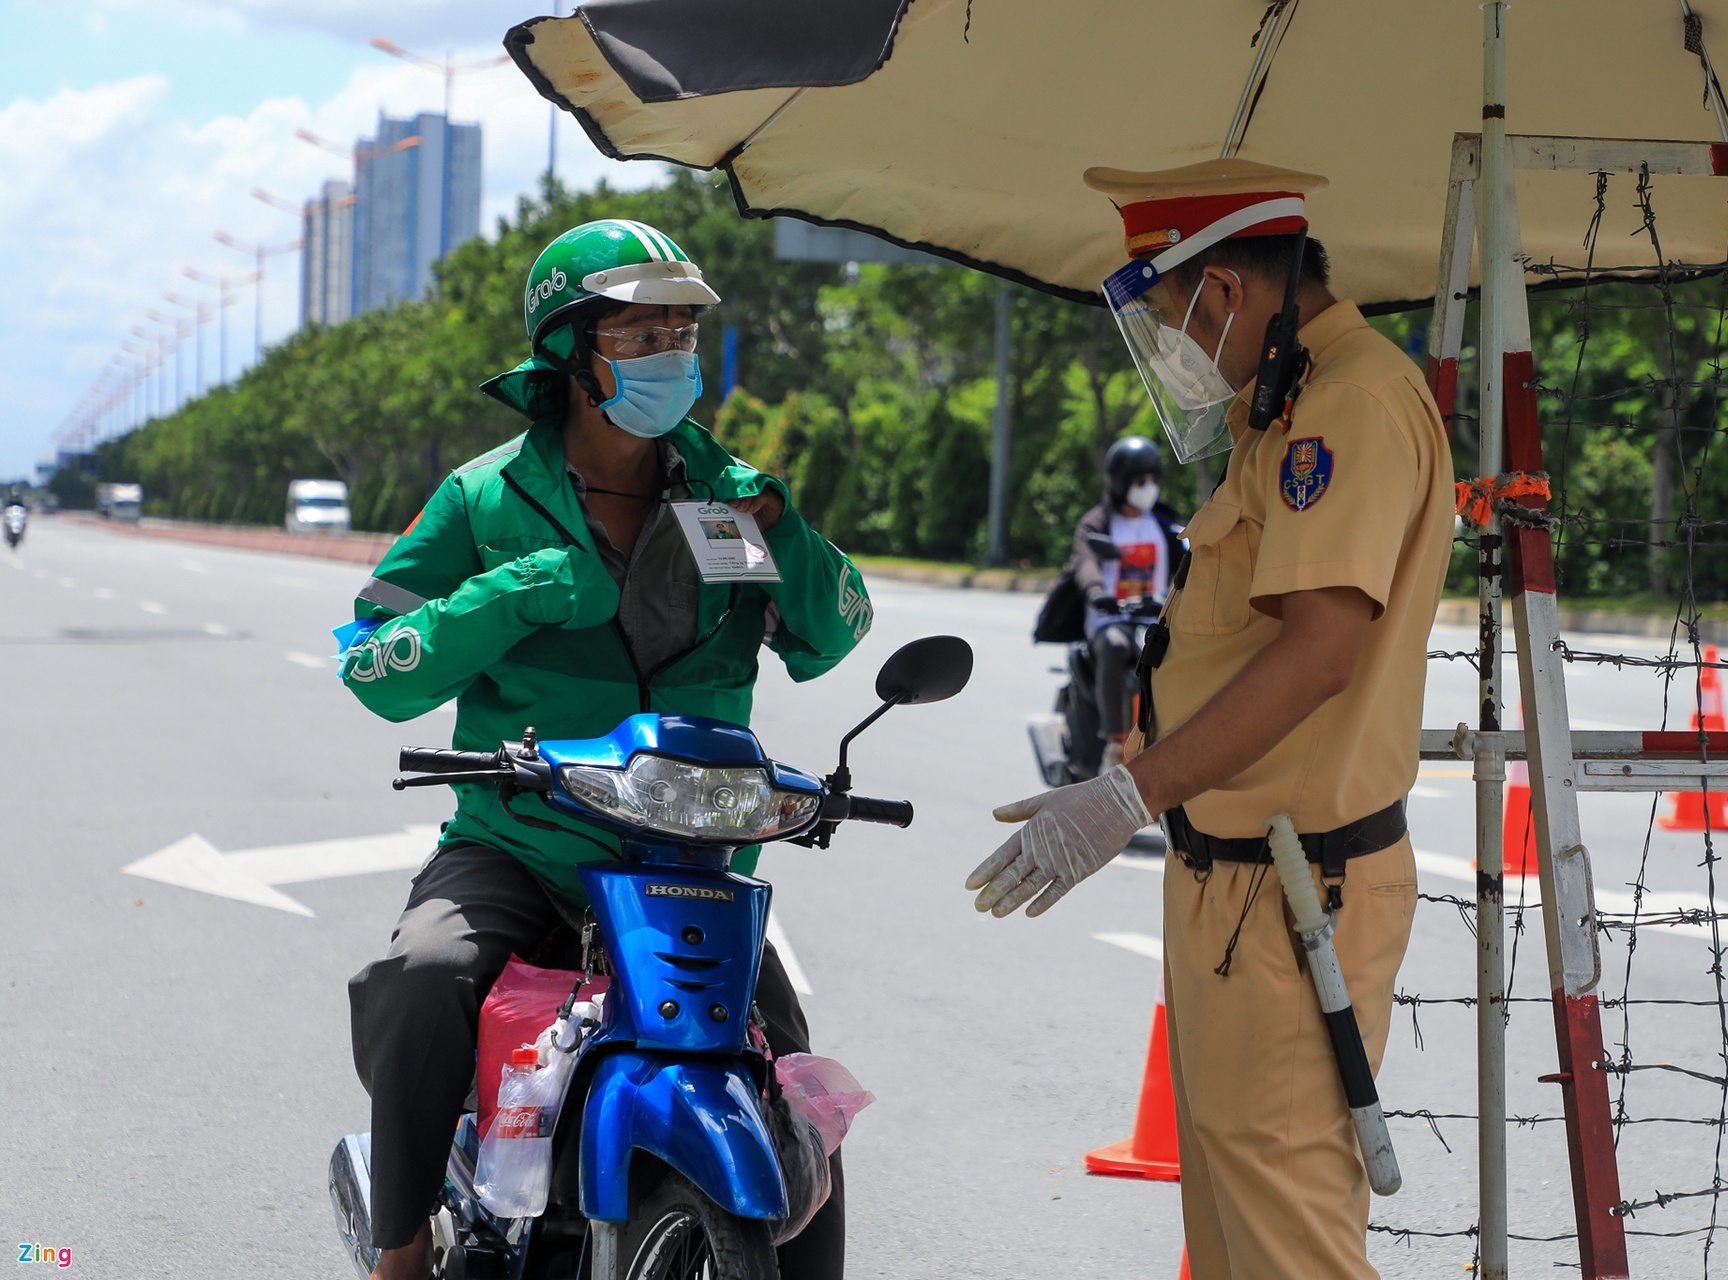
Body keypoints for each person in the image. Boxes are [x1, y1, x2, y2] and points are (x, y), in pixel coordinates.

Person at [337, 218, 874, 1280]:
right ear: (570, 351)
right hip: (522, 844)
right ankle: (402, 1249)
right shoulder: (484, 499)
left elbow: (834, 633)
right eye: (642, 330)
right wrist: (513, 592)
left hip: (689, 868)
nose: (673, 348)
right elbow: (371, 660)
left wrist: (790, 531)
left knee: (789, 1074)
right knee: (420, 973)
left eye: (682, 326)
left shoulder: (732, 494)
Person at [967, 160, 1454, 1279]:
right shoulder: (1279, 404)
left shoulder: (1350, 405)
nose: (1168, 345)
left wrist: (1125, 796)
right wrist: (1135, 773)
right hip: (1240, 879)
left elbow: (1320, 653)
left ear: (1224, 290)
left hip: (1296, 889)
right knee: (1236, 1235)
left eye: (1167, 313)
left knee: (1290, 1244)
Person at [1067, 437, 1182, 771]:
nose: (1147, 489)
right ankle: (1116, 743)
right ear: (1120, 483)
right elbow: (1085, 560)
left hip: (1153, 618)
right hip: (1109, 619)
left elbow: (1192, 554)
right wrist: (1096, 591)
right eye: (1139, 481)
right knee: (1115, 646)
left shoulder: (1163, 523)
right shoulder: (1099, 522)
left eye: (1152, 481)